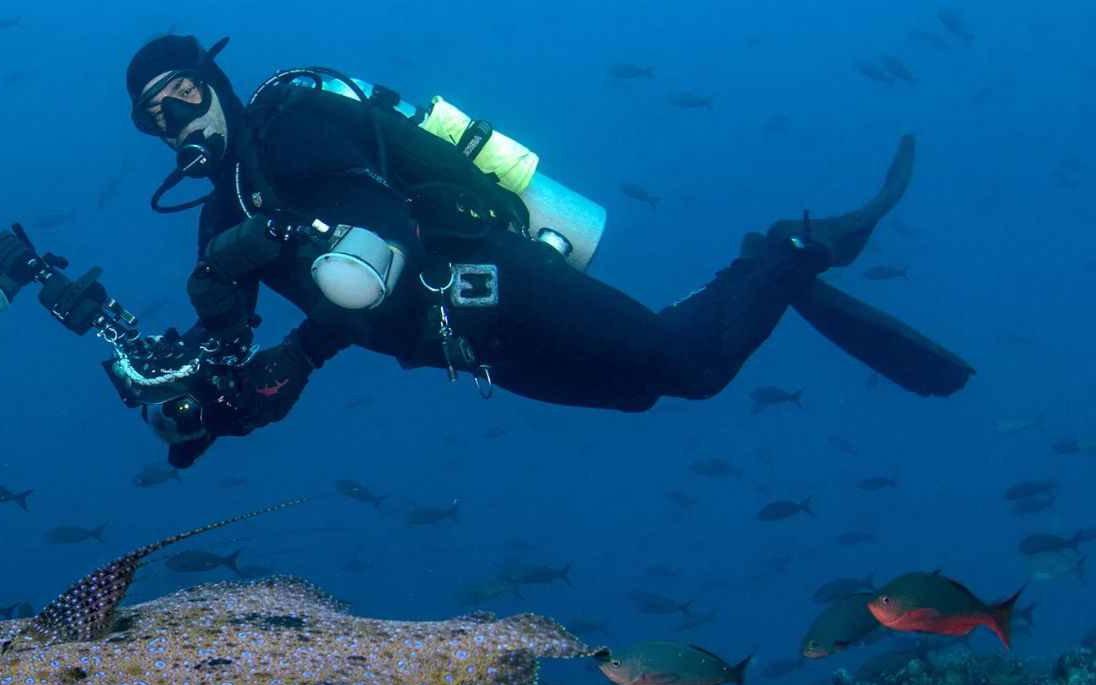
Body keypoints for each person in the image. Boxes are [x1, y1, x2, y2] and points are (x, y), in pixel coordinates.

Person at [91, 35, 973, 468]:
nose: (173, 124)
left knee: (693, 366)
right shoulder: (218, 224)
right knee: (637, 391)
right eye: (150, 119)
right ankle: (762, 277)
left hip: (491, 278)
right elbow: (245, 346)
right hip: (461, 345)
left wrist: (302, 345)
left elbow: (385, 239)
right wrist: (220, 402)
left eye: (181, 97)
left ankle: (791, 247)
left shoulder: (293, 127)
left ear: (215, 84)